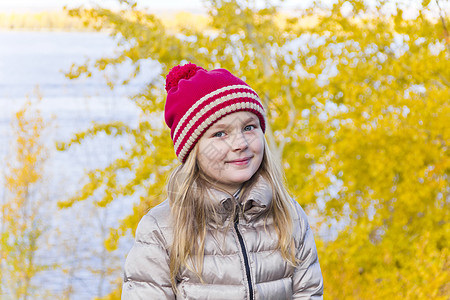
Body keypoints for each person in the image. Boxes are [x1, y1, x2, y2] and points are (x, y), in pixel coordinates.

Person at [121, 63, 323, 299]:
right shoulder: (161, 229)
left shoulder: (289, 215)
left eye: (249, 127)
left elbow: (309, 293)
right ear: (192, 149)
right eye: (220, 133)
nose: (240, 144)